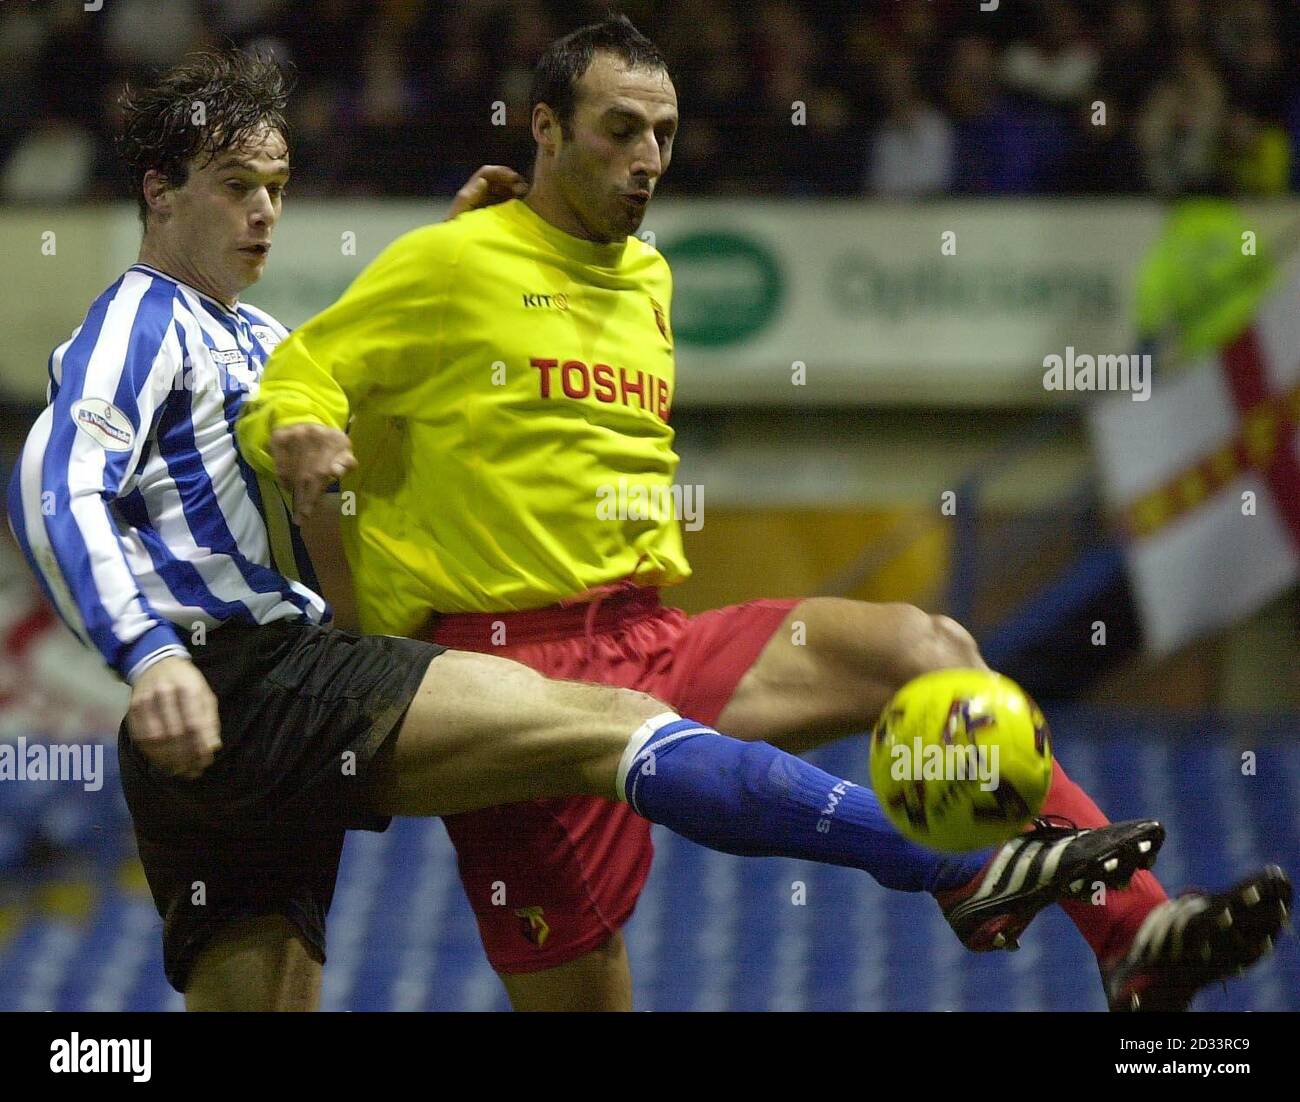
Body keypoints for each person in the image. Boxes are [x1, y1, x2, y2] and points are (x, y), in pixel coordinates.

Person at [5, 44, 1180, 1015]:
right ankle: (955, 860)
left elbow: (364, 409)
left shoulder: (257, 343)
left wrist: (469, 259)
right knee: (619, 727)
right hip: (239, 680)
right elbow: (55, 482)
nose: (263, 210)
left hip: (245, 731)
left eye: (277, 184)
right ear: (159, 191)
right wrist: (148, 652)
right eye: (230, 184)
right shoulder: (136, 322)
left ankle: (1079, 910)